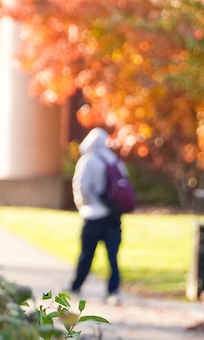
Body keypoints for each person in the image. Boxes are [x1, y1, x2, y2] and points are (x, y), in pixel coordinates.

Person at [70, 127, 125, 302]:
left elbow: (82, 187)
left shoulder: (88, 161)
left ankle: (76, 286)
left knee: (87, 253)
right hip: (113, 215)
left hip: (93, 215)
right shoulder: (115, 160)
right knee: (112, 256)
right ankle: (113, 290)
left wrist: (84, 206)